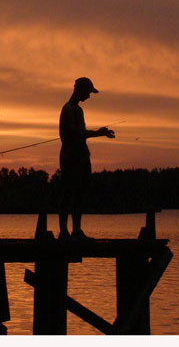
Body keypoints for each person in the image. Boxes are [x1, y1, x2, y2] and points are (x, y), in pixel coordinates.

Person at [58, 77, 115, 240]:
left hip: (81, 157)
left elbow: (80, 133)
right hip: (70, 158)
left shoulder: (78, 110)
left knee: (79, 194)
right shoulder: (68, 109)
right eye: (88, 92)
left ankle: (76, 231)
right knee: (68, 193)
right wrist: (99, 133)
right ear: (80, 90)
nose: (89, 96)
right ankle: (63, 232)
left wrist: (99, 133)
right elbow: (76, 134)